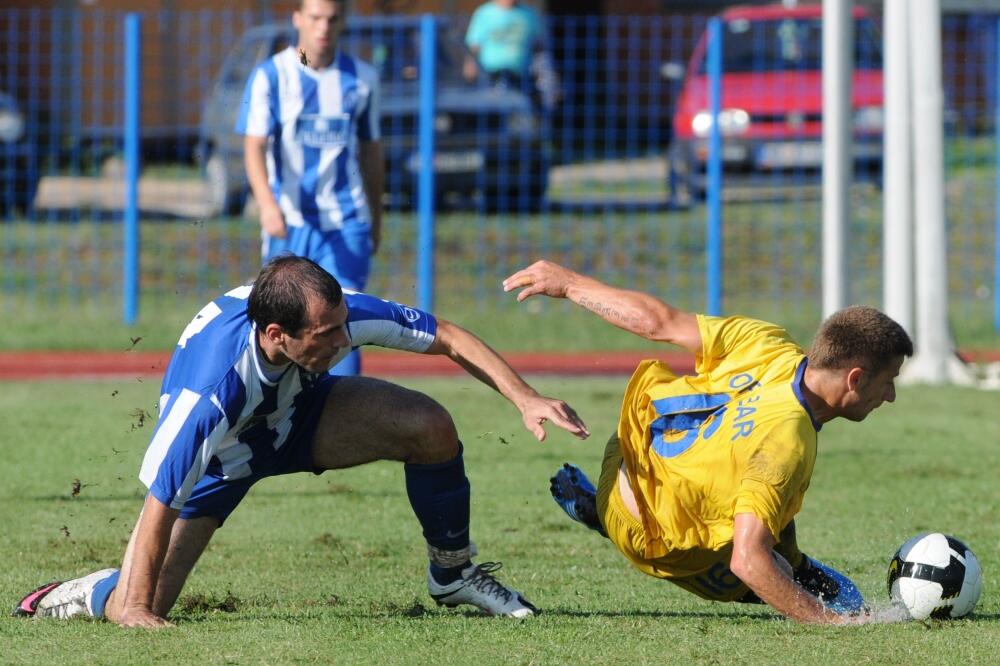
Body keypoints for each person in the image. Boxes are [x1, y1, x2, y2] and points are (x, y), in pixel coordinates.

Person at [13, 255, 589, 628]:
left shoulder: (327, 314)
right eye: (328, 334)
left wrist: (524, 397)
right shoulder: (211, 396)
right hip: (224, 461)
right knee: (143, 604)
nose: (345, 339)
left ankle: (453, 574)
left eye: (344, 323)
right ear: (275, 335)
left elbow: (448, 336)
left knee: (429, 425)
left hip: (298, 414)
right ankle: (83, 592)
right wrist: (137, 612)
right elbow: (157, 504)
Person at [502, 260, 914, 625]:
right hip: (643, 532)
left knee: (763, 499)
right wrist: (829, 623)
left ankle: (793, 560)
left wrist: (570, 283)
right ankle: (604, 518)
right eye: (888, 381)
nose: (891, 396)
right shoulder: (790, 442)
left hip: (627, 449)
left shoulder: (764, 342)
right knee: (812, 591)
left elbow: (657, 322)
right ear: (855, 379)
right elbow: (748, 563)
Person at [238, 0, 384, 376]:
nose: (323, 27)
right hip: (291, 223)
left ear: (343, 22)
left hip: (346, 221)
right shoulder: (272, 76)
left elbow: (371, 152)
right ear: (298, 19)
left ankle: (345, 424)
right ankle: (278, 420)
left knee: (341, 324)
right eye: (315, 18)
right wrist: (267, 204)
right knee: (284, 330)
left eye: (332, 19)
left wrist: (376, 217)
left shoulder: (362, 78)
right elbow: (253, 145)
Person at [463, 0, 561, 112]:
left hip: (522, 75)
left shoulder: (529, 14)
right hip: (489, 74)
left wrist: (546, 74)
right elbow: (474, 45)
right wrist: (470, 64)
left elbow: (539, 47)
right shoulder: (484, 13)